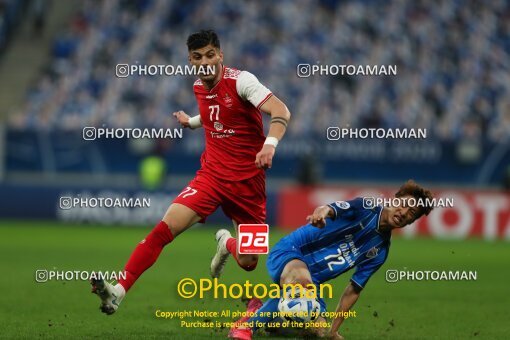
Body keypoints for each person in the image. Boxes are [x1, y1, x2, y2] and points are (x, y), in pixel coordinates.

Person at [90, 29, 291, 315]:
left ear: (221, 55)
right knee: (164, 229)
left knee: (249, 263)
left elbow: (281, 110)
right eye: (198, 57)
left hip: (249, 185)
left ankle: (225, 241)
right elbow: (215, 113)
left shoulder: (242, 81)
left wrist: (270, 145)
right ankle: (117, 291)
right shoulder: (199, 86)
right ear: (190, 61)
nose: (205, 62)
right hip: (211, 177)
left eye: (211, 55)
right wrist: (192, 121)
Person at [227, 180, 434, 340]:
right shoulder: (367, 207)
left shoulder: (380, 252)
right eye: (404, 205)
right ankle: (245, 327)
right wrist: (322, 211)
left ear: (411, 222)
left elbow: (353, 290)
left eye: (412, 213)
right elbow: (333, 208)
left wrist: (333, 332)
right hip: (291, 251)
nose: (404, 213)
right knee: (302, 288)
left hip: (312, 282)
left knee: (315, 331)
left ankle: (265, 315)